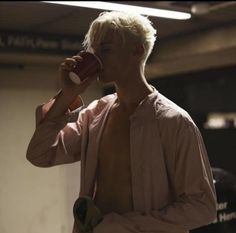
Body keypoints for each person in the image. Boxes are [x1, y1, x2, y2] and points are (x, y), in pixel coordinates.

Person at [26, 11, 217, 233]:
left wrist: (122, 226)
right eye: (93, 51)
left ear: (137, 50)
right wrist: (67, 96)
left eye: (105, 50)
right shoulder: (95, 114)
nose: (96, 59)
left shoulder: (174, 121)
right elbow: (40, 154)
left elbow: (202, 207)